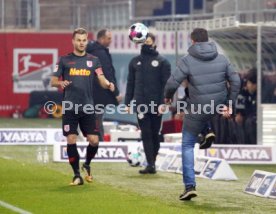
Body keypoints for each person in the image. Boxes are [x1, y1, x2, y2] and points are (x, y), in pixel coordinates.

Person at [164, 28, 241, 200]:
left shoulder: (187, 60)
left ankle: (189, 186)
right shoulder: (222, 58)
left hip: (198, 108)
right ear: (208, 40)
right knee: (203, 108)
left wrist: (167, 98)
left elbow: (172, 82)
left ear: (192, 41)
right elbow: (236, 80)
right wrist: (230, 104)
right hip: (219, 105)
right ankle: (207, 131)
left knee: (187, 145)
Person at [51, 28, 115, 185]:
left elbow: (101, 78)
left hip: (87, 107)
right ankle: (76, 175)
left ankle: (86, 164)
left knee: (94, 141)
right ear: (73, 41)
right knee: (71, 138)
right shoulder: (64, 60)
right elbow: (52, 80)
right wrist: (60, 82)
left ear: (87, 41)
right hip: (70, 107)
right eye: (78, 40)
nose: (81, 43)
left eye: (84, 40)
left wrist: (108, 84)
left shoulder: (94, 60)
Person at [125, 33, 171, 174]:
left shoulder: (163, 62)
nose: (146, 44)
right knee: (145, 133)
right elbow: (131, 83)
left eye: (149, 41)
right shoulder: (134, 62)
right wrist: (128, 103)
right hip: (141, 104)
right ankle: (151, 164)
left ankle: (152, 161)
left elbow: (166, 86)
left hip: (157, 104)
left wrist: (163, 104)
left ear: (154, 43)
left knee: (155, 133)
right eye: (144, 41)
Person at [86, 29, 122, 141]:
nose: (110, 41)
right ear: (101, 39)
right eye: (109, 38)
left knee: (92, 120)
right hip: (99, 93)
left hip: (89, 91)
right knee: (97, 121)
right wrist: (115, 92)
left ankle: (92, 143)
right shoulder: (100, 53)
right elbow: (107, 73)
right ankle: (98, 145)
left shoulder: (90, 51)